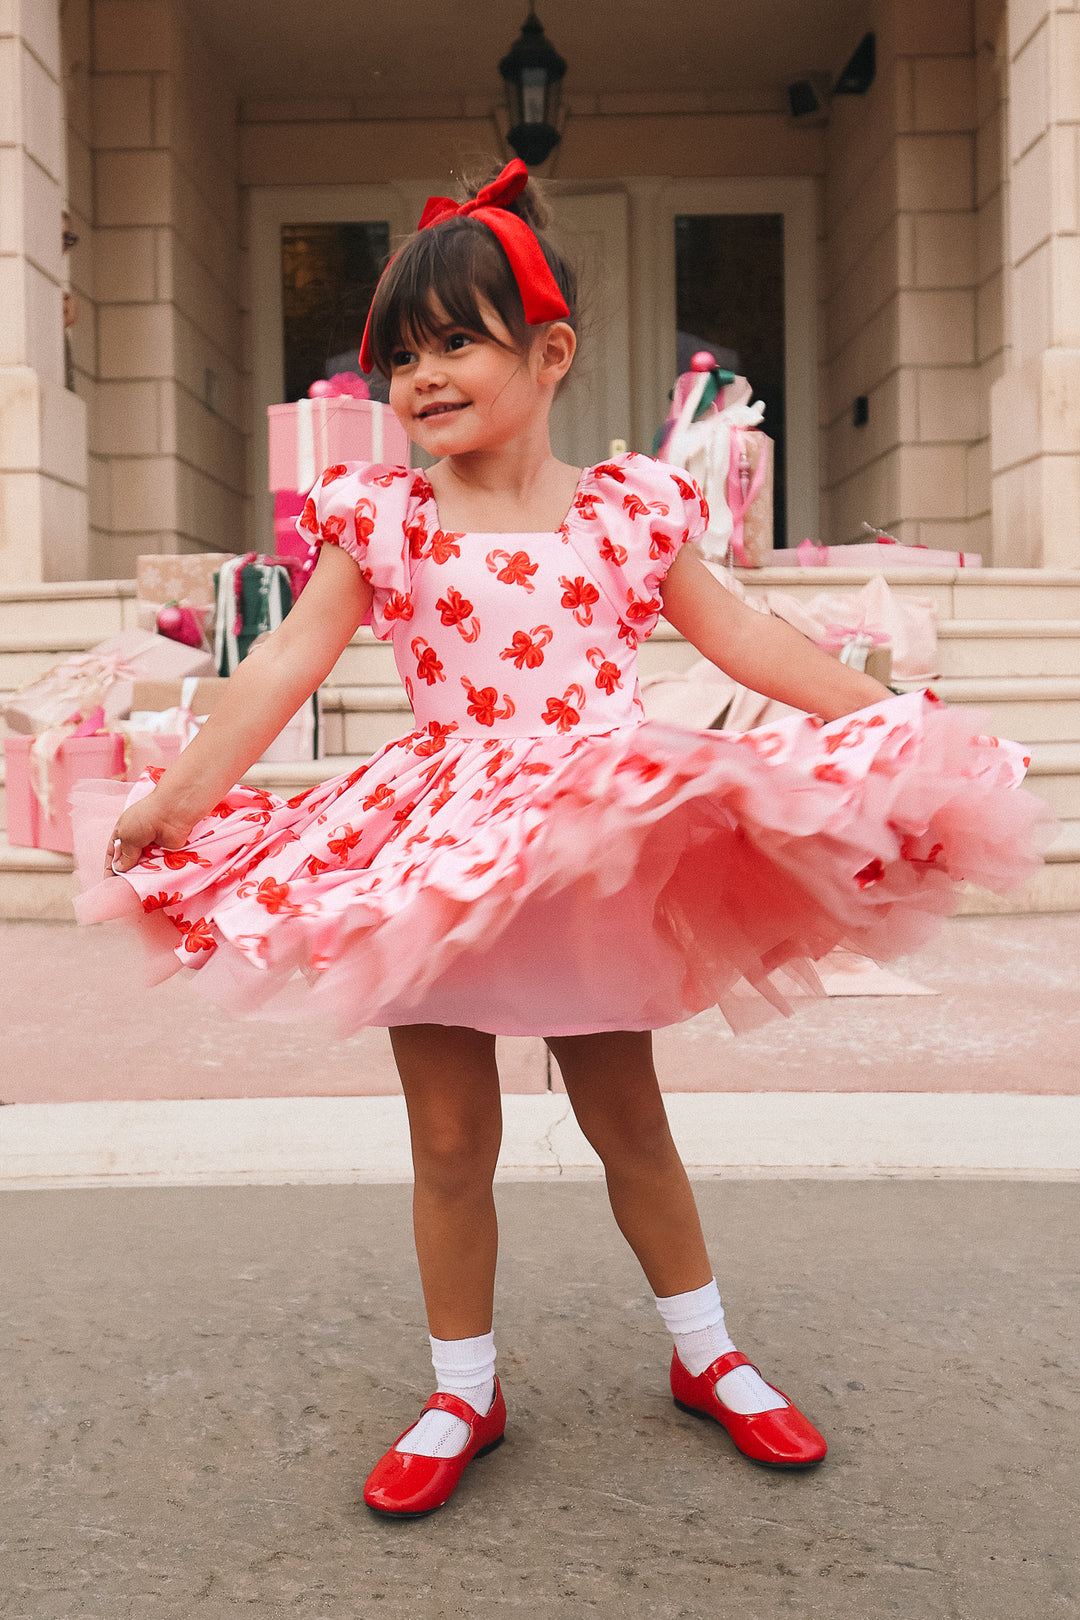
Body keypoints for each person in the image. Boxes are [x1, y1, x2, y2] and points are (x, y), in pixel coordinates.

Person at [75, 159, 1046, 1520]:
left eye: (455, 340)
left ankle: (709, 1356)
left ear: (551, 353)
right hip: (438, 860)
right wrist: (177, 795)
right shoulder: (386, 518)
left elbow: (749, 637)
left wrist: (891, 713)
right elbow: (286, 663)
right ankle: (462, 1386)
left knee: (627, 1120)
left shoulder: (630, 508)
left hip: (593, 846)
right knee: (451, 1139)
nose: (421, 375)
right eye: (399, 354)